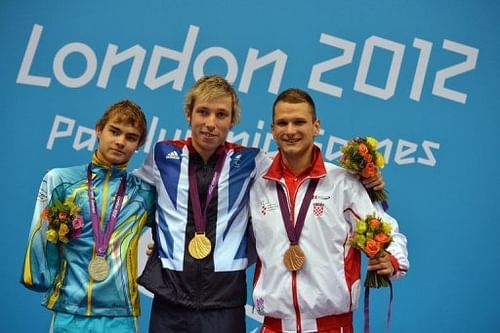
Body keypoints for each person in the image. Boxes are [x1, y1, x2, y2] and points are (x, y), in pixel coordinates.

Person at [249, 88, 409, 333]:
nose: (290, 130)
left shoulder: (342, 183)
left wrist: (392, 260)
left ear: (316, 126)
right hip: (273, 327)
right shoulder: (256, 179)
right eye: (282, 123)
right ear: (272, 129)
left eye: (299, 122)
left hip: (332, 327)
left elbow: (387, 232)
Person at [21, 100, 156, 333]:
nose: (120, 141)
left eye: (130, 137)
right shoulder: (60, 181)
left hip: (120, 314)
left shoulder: (144, 193)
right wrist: (40, 277)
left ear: (139, 144)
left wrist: (160, 249)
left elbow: (176, 228)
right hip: (68, 310)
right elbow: (40, 237)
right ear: (99, 129)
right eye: (114, 131)